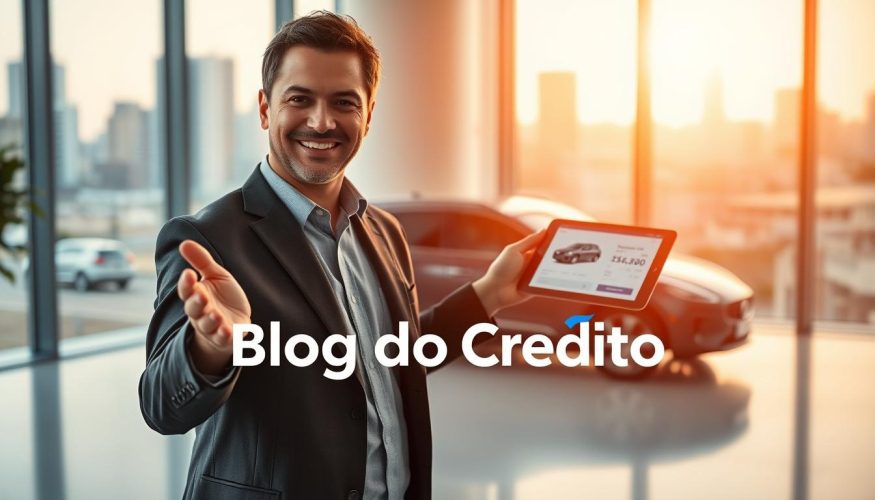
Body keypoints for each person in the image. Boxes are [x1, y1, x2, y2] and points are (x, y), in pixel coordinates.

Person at [139, 11, 542, 500]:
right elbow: (161, 406)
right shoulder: (206, 239)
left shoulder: (385, 231)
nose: (322, 121)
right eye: (300, 99)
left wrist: (490, 295)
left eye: (343, 102)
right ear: (266, 110)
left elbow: (390, 357)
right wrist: (211, 348)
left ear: (368, 115)